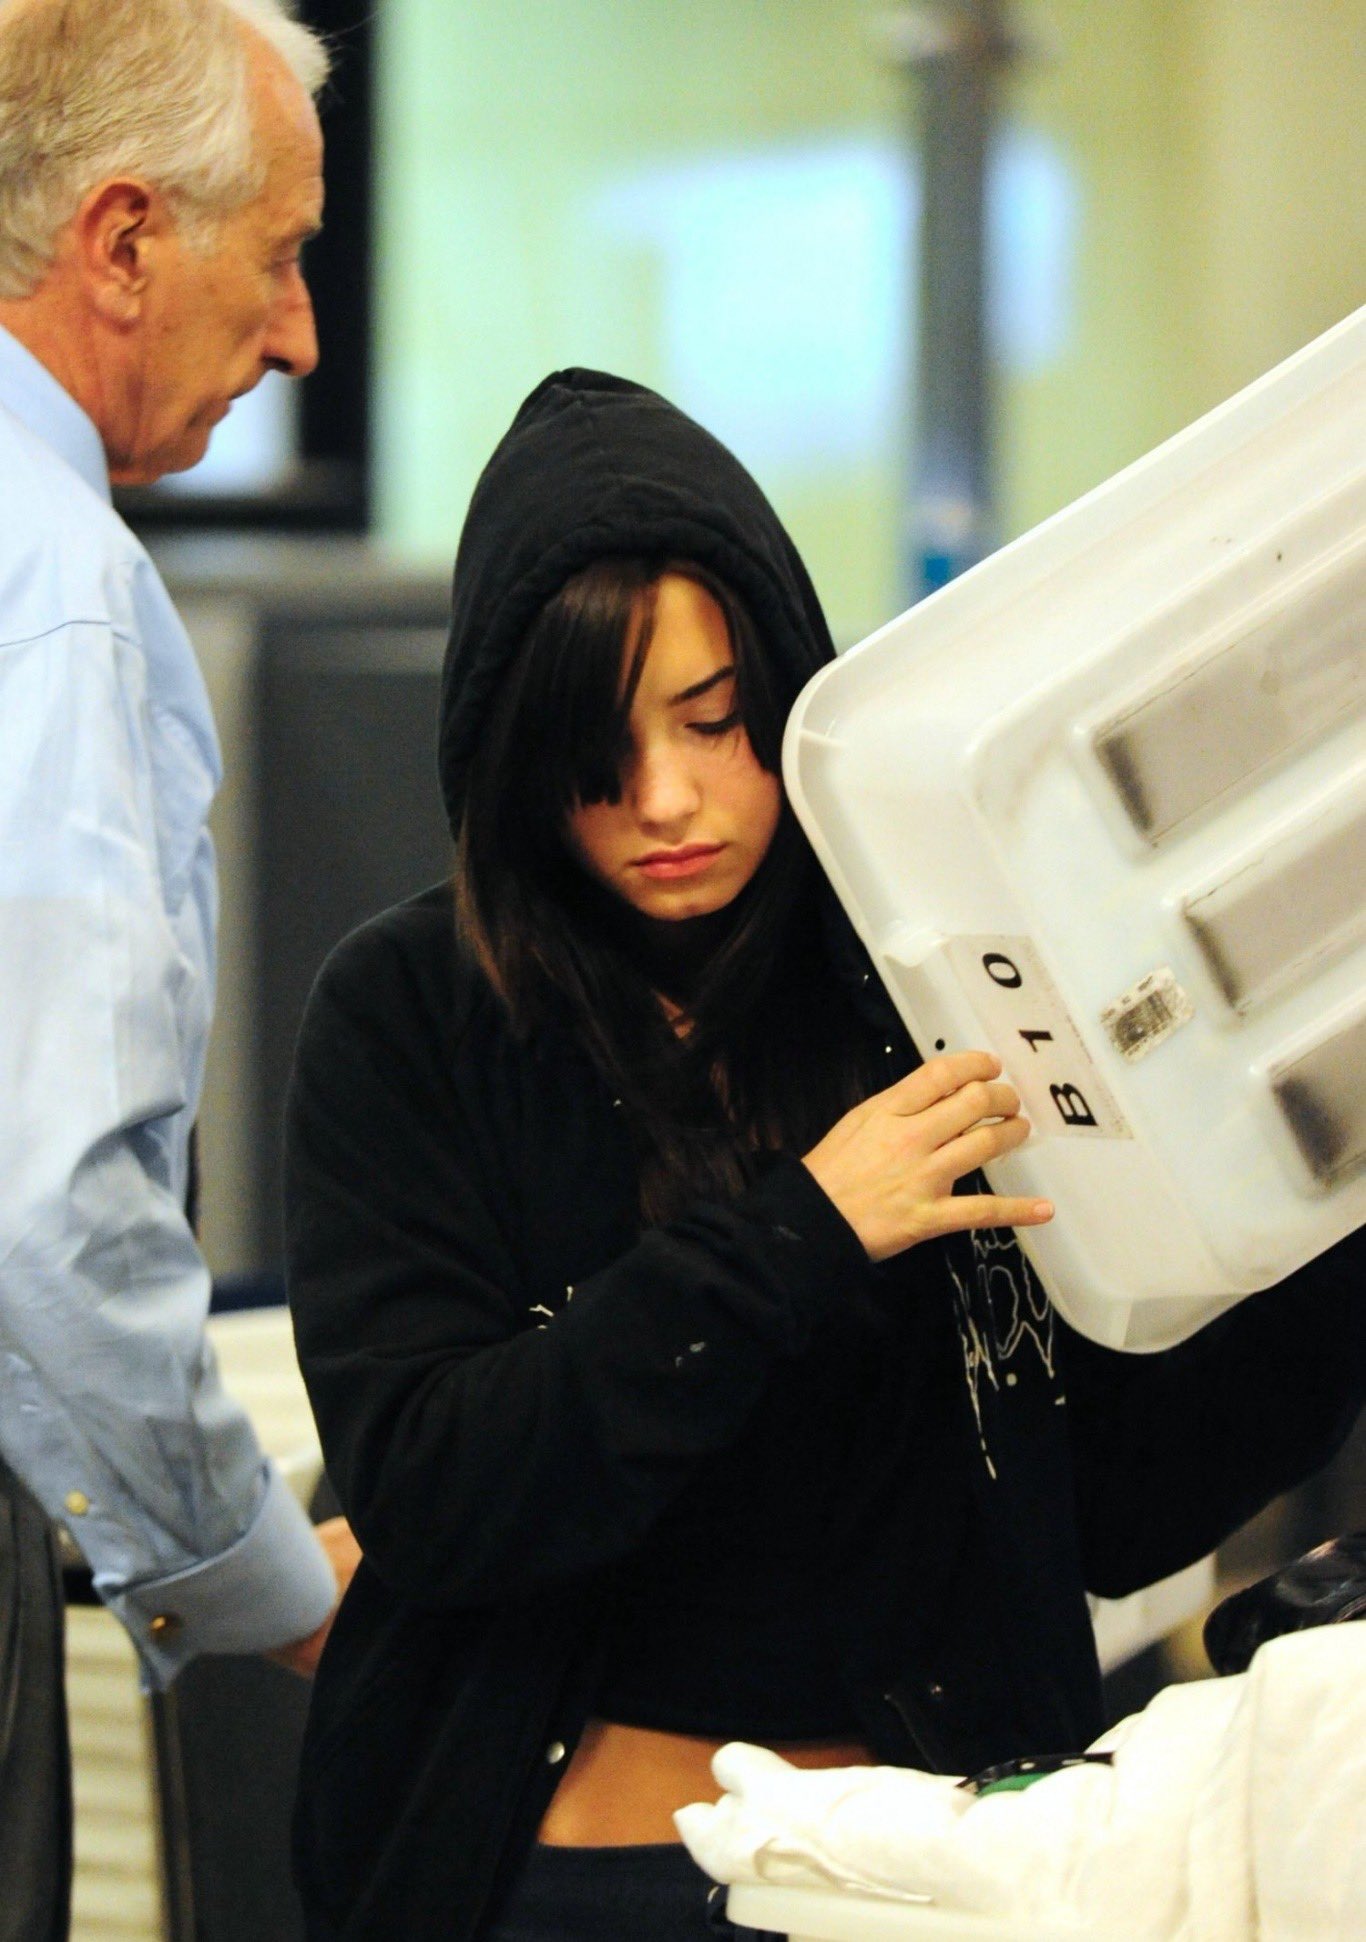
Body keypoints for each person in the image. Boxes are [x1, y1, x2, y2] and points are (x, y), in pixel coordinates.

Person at [284, 369, 1366, 1942]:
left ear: (789, 691)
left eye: (717, 722)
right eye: (594, 753)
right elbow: (442, 1490)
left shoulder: (926, 976)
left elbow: (1116, 1503)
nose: (667, 801)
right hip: (567, 1872)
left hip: (937, 1869)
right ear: (507, 759)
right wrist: (799, 1232)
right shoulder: (411, 1014)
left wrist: (1314, 1215)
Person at [0, 4, 360, 1937]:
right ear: (124, 241)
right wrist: (258, 1571)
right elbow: (45, 1206)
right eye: (282, 253)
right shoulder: (50, 583)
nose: (300, 332)